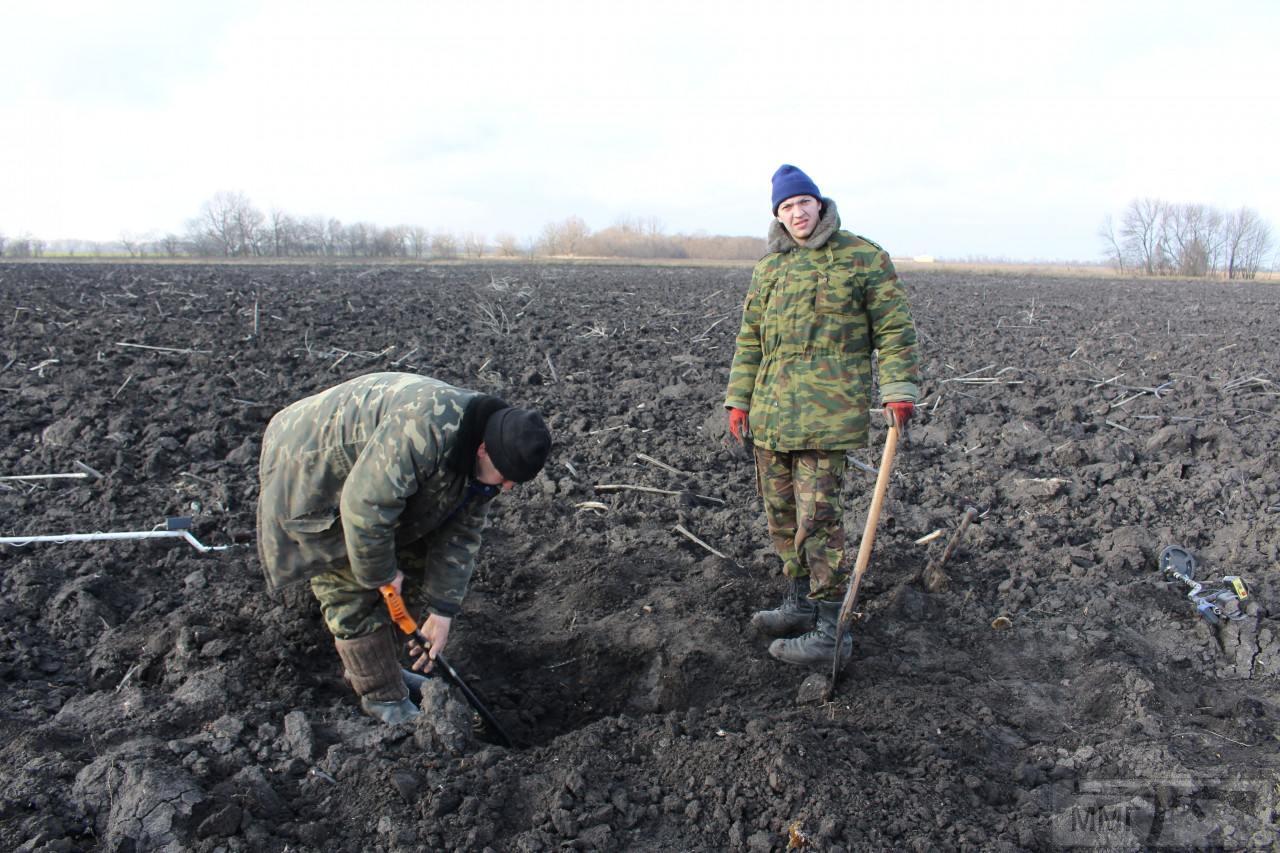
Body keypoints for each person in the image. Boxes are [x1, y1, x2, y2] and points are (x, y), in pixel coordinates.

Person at [257, 372, 551, 723]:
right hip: (311, 463)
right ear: (483, 449)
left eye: (513, 483)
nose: (506, 488)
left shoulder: (492, 447)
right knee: (350, 582)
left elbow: (460, 533)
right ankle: (381, 697)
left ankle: (388, 669)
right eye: (503, 478)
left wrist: (442, 611)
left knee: (411, 560)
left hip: (373, 478)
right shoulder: (425, 429)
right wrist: (381, 574)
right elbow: (364, 508)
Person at [724, 164, 920, 666]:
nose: (797, 214)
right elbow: (750, 340)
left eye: (803, 203)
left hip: (827, 416)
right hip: (771, 417)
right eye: (786, 207)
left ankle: (832, 630)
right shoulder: (769, 269)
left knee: (819, 520)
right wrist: (739, 399)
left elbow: (894, 330)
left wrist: (897, 388)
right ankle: (798, 604)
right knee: (782, 517)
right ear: (778, 215)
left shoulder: (862, 258)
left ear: (819, 203)